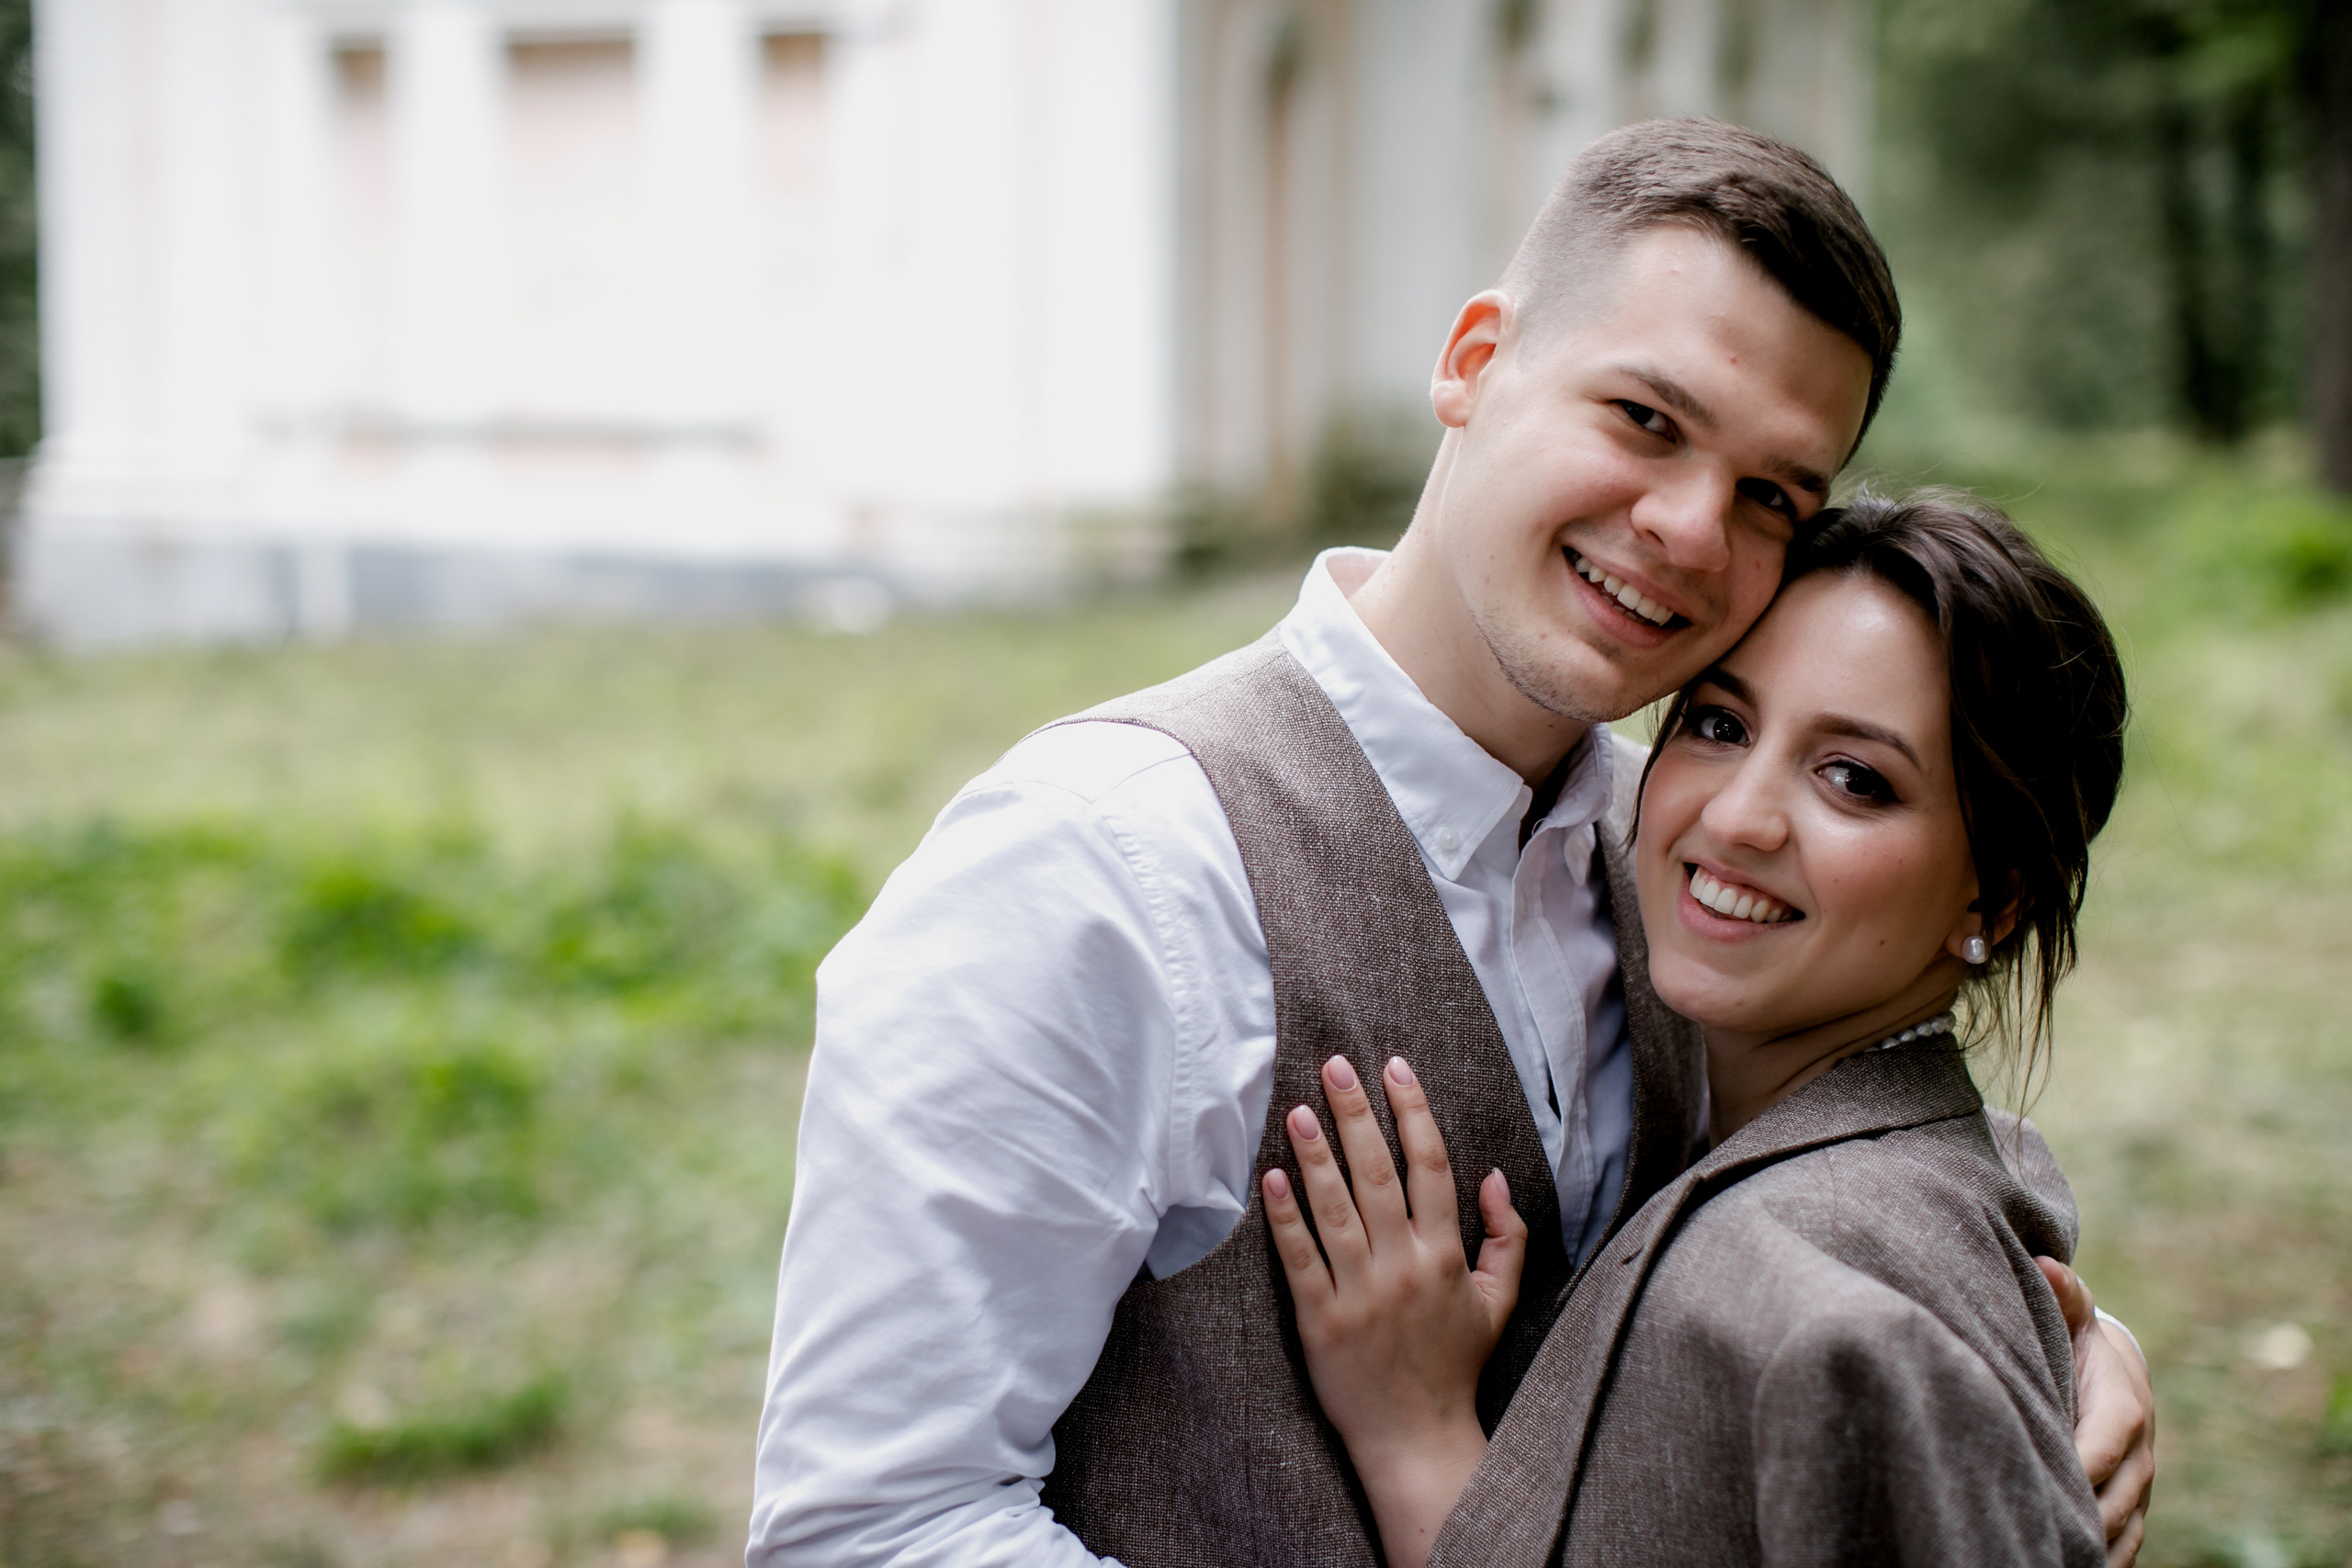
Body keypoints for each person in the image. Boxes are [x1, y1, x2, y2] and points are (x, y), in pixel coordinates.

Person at [746, 122, 2155, 1566]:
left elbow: (1855, 1152)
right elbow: (870, 1526)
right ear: (1476, 362)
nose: (1683, 528)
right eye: (1646, 419)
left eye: (1770, 495)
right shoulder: (1092, 870)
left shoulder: (1689, 853)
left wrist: (2038, 1345)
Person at [1263, 489, 2133, 1566]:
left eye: (1855, 780)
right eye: (1719, 724)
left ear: (1993, 902)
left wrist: (1413, 1436)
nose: (1734, 818)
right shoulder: (1939, 1177)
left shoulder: (1817, 1317)